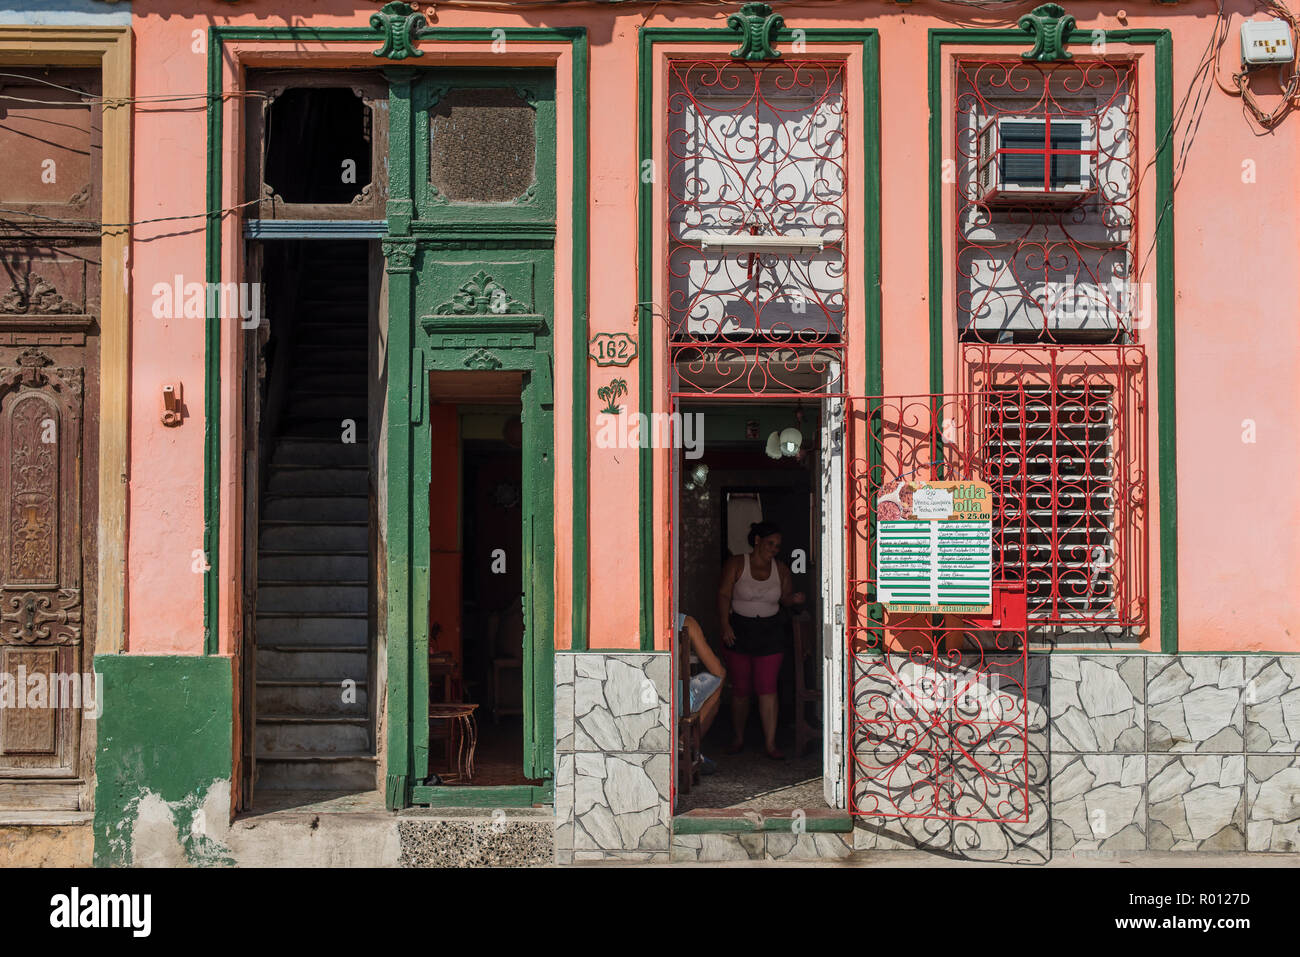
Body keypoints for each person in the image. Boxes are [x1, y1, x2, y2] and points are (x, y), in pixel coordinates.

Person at [716, 521, 804, 760]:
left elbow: (784, 599)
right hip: (739, 631)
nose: (774, 549)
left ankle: (770, 744)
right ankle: (738, 738)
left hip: (770, 631)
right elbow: (724, 595)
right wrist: (725, 626)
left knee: (767, 688)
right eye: (770, 543)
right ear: (757, 540)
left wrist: (793, 600)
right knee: (741, 689)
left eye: (777, 546)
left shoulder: (781, 569)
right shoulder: (736, 564)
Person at [679, 613, 726, 774]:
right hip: (677, 700)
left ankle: (685, 746)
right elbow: (717, 671)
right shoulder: (686, 622)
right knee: (718, 678)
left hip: (644, 695)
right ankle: (686, 744)